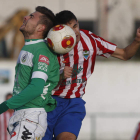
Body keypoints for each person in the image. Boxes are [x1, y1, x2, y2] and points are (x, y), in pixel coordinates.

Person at [42, 10, 140, 140]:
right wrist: (58, 75)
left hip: (73, 102)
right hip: (46, 101)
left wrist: (137, 40)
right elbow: (37, 80)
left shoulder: (90, 40)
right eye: (68, 29)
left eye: (75, 26)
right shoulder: (48, 46)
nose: (74, 32)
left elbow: (124, 54)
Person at [0, 6, 60, 140]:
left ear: (41, 28)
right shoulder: (30, 47)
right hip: (22, 116)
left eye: (32, 17)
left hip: (31, 118)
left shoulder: (41, 51)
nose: (25, 17)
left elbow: (36, 88)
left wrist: (4, 106)